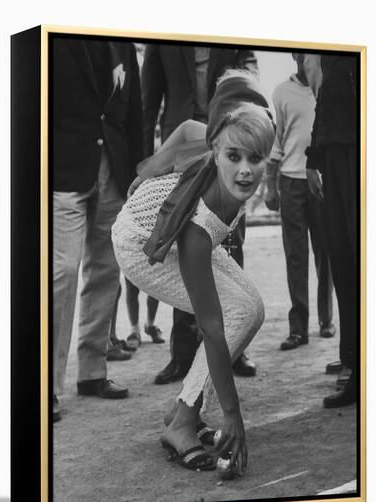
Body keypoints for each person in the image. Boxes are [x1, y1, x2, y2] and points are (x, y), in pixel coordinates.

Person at [112, 70, 275, 471]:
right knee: (233, 315)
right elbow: (212, 327)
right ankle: (182, 423)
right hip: (140, 245)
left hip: (176, 230)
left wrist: (148, 170)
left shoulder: (228, 134)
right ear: (216, 149)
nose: (244, 170)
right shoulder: (200, 224)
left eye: (255, 159)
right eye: (233, 157)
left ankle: (181, 410)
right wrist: (233, 414)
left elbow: (185, 127)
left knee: (252, 309)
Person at [141, 43, 260, 384]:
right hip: (182, 147)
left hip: (230, 142)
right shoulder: (162, 37)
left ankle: (234, 348)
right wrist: (149, 162)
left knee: (231, 245)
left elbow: (249, 76)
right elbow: (149, 100)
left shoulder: (235, 31)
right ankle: (182, 355)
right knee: (183, 244)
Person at [51, 36, 143, 421]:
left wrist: (138, 173)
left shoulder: (123, 39)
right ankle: (45, 386)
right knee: (63, 271)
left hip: (114, 170)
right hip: (63, 169)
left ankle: (92, 372)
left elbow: (134, 110)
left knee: (106, 270)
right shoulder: (50, 36)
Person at [264, 53, 334, 351]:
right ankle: (298, 329)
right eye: (304, 52)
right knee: (296, 255)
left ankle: (326, 320)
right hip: (290, 181)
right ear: (295, 55)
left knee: (326, 254)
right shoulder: (281, 92)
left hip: (321, 180)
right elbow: (277, 140)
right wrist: (270, 186)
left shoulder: (328, 87)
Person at [304, 54, 358, 408]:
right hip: (334, 155)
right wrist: (312, 158)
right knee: (342, 260)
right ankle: (355, 367)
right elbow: (326, 97)